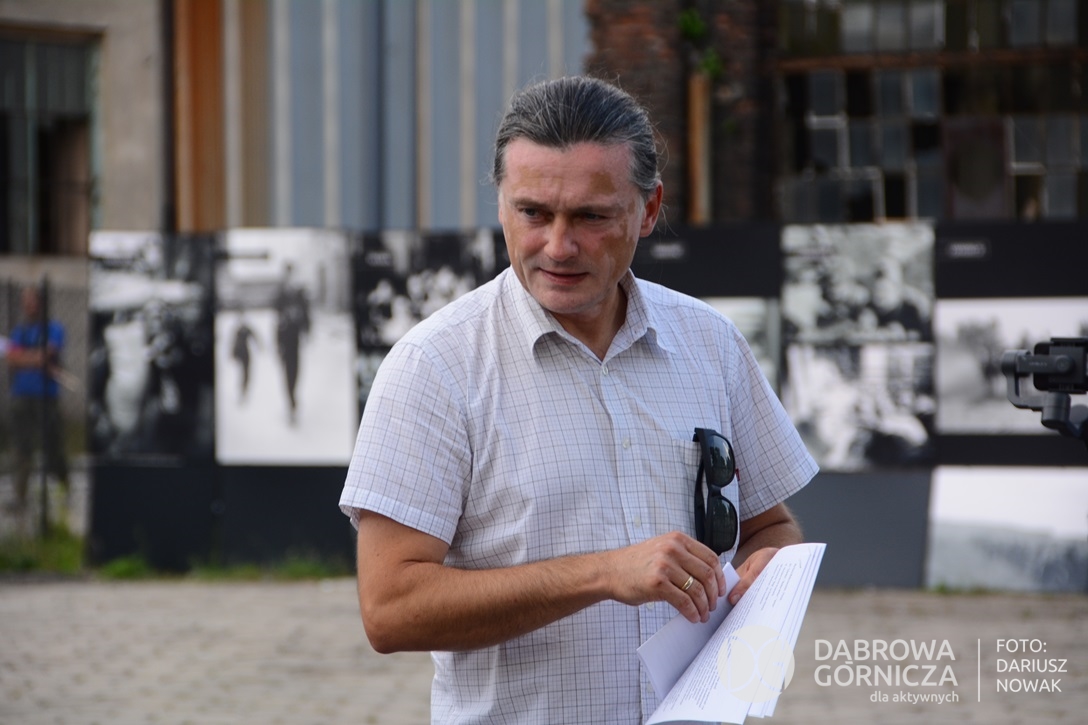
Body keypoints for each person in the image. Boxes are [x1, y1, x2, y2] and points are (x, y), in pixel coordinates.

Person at [339, 76, 818, 723]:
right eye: (533, 213)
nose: (558, 246)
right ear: (501, 205)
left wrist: (767, 575)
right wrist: (602, 574)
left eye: (592, 217)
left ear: (649, 210)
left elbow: (770, 526)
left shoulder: (711, 343)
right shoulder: (434, 367)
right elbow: (390, 609)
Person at [5, 286, 70, 517]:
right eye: (25, 301)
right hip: (22, 395)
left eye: (31, 300)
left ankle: (64, 488)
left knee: (52, 446)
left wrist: (27, 358)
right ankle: (20, 498)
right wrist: (33, 359)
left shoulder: (54, 329)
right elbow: (12, 359)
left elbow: (47, 355)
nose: (28, 305)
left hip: (46, 396)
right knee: (22, 448)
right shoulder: (20, 332)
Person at [273, 263, 310, 424]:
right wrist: (277, 342)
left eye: (292, 275)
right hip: (284, 340)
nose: (290, 278)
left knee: (296, 372)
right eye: (287, 275)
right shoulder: (280, 294)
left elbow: (307, 315)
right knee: (288, 373)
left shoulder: (300, 294)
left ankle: (293, 400)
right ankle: (291, 404)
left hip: (295, 340)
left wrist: (306, 330)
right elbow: (277, 318)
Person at [230, 311, 260, 401]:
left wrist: (259, 346)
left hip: (246, 354)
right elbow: (233, 343)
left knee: (246, 372)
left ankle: (244, 389)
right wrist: (233, 353)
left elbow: (255, 337)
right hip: (240, 353)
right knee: (242, 373)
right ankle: (242, 389)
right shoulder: (237, 330)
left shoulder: (246, 329)